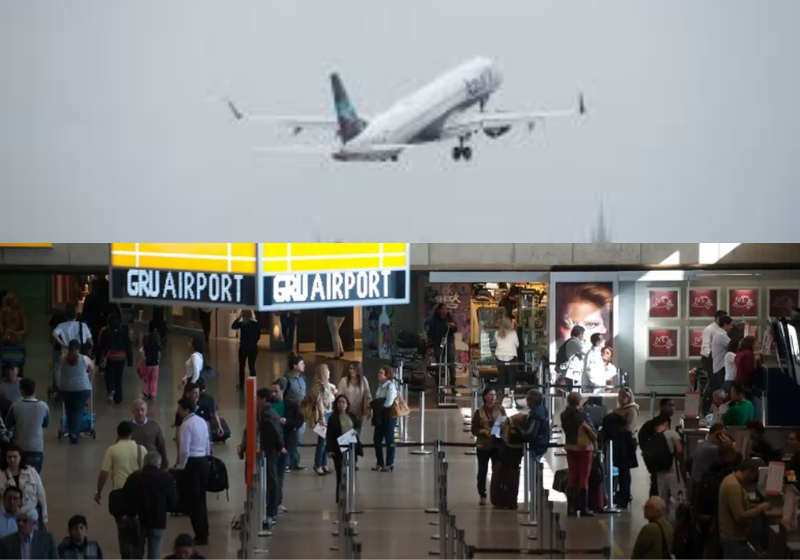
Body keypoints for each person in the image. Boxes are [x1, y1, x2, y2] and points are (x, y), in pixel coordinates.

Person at [95, 421, 147, 559]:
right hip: (139, 495)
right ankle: (138, 555)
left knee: (123, 530)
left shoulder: (112, 450)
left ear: (118, 433)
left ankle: (126, 556)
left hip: (120, 494)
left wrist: (99, 491)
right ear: (132, 433)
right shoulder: (141, 449)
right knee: (139, 527)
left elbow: (104, 473)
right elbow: (148, 471)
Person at [123, 451, 177, 559]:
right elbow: (174, 501)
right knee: (155, 554)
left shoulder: (134, 477)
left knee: (137, 554)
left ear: (144, 463)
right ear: (159, 463)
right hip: (158, 521)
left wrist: (130, 514)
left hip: (137, 521)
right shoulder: (166, 478)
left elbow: (125, 498)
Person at [174, 397, 211, 547]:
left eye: (180, 408)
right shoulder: (202, 421)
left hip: (192, 464)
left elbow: (184, 449)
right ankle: (205, 530)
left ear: (186, 410)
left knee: (193, 501)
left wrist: (181, 465)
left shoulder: (185, 425)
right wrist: (208, 457)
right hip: (203, 461)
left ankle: (200, 535)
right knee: (202, 499)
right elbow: (208, 441)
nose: (178, 411)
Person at [718, 459, 771, 559]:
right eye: (754, 475)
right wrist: (759, 509)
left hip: (735, 538)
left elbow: (740, 505)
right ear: (748, 471)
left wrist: (757, 506)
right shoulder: (733, 486)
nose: (754, 478)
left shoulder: (732, 480)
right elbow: (740, 516)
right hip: (733, 539)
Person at [268, 380, 303, 513]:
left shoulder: (290, 406)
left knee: (279, 474)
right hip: (271, 445)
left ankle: (277, 502)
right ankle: (271, 502)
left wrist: (287, 422)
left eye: (276, 391)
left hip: (284, 444)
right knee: (272, 475)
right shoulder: (268, 406)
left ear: (282, 391)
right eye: (271, 391)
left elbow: (299, 420)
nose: (273, 393)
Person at [561, 392, 597, 517]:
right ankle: (583, 507)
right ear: (579, 401)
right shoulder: (583, 415)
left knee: (572, 475)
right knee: (583, 477)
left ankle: (571, 508)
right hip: (584, 449)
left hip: (570, 448)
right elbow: (593, 432)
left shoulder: (564, 415)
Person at [471, 387, 506, 506]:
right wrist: (482, 432)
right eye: (491, 395)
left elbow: (505, 423)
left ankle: (497, 494)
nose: (493, 397)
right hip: (483, 445)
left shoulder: (500, 409)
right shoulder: (479, 412)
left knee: (497, 471)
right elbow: (474, 429)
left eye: (494, 395)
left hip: (497, 444)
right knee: (482, 471)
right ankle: (482, 494)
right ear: (485, 396)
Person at [5, 379, 49, 473]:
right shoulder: (43, 406)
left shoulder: (15, 406)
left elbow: (7, 425)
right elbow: (46, 423)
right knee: (34, 477)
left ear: (21, 391)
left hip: (19, 448)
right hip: (36, 448)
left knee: (19, 475)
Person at [326, 394, 363, 504]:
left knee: (350, 473)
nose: (341, 404)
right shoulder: (333, 418)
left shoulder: (352, 416)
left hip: (351, 447)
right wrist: (329, 449)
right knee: (340, 473)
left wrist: (356, 431)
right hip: (338, 448)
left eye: (343, 402)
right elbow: (329, 435)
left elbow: (357, 426)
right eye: (339, 402)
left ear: (347, 404)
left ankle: (349, 495)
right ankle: (340, 497)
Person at [256, 389, 285, 527]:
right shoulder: (270, 412)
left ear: (264, 400)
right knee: (272, 479)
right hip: (272, 450)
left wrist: (280, 446)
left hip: (270, 451)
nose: (256, 401)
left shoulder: (266, 414)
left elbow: (274, 432)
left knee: (272, 480)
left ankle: (272, 511)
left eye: (258, 398)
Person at [58, 339, 95, 444]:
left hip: (66, 388)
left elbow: (60, 367)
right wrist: (88, 377)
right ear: (79, 348)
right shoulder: (85, 358)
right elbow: (92, 368)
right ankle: (74, 433)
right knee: (78, 411)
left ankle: (71, 431)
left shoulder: (63, 357)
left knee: (69, 411)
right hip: (82, 388)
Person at [0, 446, 47, 526]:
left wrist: (44, 518)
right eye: (9, 457)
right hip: (7, 516)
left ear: (20, 458)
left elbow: (41, 495)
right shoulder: (1, 475)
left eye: (15, 457)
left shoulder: (31, 472)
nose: (12, 460)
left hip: (29, 513)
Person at [638, 399, 676, 497]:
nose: (672, 408)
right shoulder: (660, 422)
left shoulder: (664, 421)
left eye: (673, 406)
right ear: (662, 407)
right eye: (669, 405)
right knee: (657, 483)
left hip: (653, 456)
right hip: (656, 458)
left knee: (656, 482)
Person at [646, 416, 684, 511]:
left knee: (663, 498)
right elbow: (679, 450)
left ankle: (662, 520)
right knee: (678, 495)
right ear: (666, 424)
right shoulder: (672, 433)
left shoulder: (652, 438)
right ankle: (679, 520)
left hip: (659, 471)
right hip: (672, 470)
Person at [611, 388, 639, 509]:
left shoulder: (631, 410)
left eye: (623, 397)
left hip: (627, 442)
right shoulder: (620, 409)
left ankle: (625, 496)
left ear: (629, 398)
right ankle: (621, 493)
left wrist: (614, 430)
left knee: (624, 471)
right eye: (619, 396)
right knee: (621, 470)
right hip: (620, 442)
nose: (621, 399)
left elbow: (628, 427)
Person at [690, 423, 731, 498]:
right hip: (704, 487)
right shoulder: (712, 449)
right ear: (719, 436)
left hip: (696, 482)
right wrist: (728, 444)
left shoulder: (702, 444)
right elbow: (730, 459)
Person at [371, 365, 398, 472]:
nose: (379, 375)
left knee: (389, 439)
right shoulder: (380, 386)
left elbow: (388, 403)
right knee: (377, 439)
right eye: (379, 373)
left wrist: (377, 404)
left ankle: (389, 462)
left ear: (387, 375)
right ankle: (379, 462)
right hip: (379, 416)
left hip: (388, 416)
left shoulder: (390, 386)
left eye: (381, 373)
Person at [427, 303, 459, 395]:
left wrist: (453, 326)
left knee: (451, 365)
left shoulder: (450, 318)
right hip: (438, 344)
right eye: (443, 309)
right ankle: (439, 387)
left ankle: (453, 387)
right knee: (439, 365)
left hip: (449, 344)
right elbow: (431, 333)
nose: (445, 311)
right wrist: (431, 345)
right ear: (438, 310)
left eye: (446, 309)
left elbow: (456, 329)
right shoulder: (434, 321)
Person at [283, 354, 307, 472]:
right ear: (294, 366)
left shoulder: (302, 379)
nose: (304, 365)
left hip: (301, 413)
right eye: (301, 363)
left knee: (299, 438)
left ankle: (295, 462)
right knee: (289, 438)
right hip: (290, 413)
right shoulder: (286, 380)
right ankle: (286, 463)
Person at [311, 365, 336, 476]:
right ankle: (318, 464)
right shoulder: (319, 387)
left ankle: (324, 463)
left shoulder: (327, 385)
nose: (329, 372)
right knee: (322, 442)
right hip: (324, 415)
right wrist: (322, 418)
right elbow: (320, 403)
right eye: (328, 371)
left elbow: (334, 391)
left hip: (329, 414)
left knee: (326, 442)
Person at [130, 400, 169, 471]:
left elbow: (161, 446)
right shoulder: (128, 427)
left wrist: (164, 465)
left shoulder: (154, 425)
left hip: (152, 463)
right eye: (137, 410)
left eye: (142, 410)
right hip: (133, 463)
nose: (140, 413)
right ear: (132, 411)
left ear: (146, 411)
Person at [232, 310, 261, 390]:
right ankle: (253, 384)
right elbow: (258, 336)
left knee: (242, 366)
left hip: (244, 347)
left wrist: (239, 317)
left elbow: (233, 326)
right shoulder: (256, 324)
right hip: (253, 347)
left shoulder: (243, 324)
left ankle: (241, 385)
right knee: (252, 366)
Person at [494, 317, 519, 401]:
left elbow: (496, 343)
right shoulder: (513, 333)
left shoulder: (497, 333)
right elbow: (517, 344)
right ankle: (512, 396)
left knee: (501, 377)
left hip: (499, 356)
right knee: (512, 377)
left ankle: (501, 395)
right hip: (510, 356)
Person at [555, 326, 586, 391]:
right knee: (573, 393)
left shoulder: (571, 341)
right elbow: (585, 352)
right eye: (583, 334)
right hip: (572, 373)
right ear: (580, 334)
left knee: (572, 393)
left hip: (570, 373)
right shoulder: (574, 342)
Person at [701, 310, 728, 375]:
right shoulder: (709, 329)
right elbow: (706, 346)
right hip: (710, 359)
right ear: (717, 318)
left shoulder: (725, 328)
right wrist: (712, 356)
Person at [711, 315, 735, 389]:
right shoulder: (721, 335)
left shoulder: (719, 334)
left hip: (718, 366)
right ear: (725, 324)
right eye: (730, 325)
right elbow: (733, 345)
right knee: (723, 392)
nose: (731, 327)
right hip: (721, 367)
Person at [137, 334, 161, 401]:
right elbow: (159, 356)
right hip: (155, 365)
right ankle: (153, 394)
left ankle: (146, 390)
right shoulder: (157, 347)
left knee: (148, 379)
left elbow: (141, 358)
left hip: (148, 365)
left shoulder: (145, 348)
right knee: (154, 380)